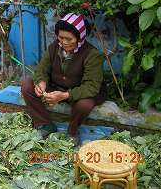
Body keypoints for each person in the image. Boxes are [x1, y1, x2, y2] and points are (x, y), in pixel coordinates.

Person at [21, 13, 105, 146]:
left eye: (69, 39)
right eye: (61, 38)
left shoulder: (92, 55)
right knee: (27, 84)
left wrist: (65, 95)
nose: (64, 42)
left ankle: (72, 131)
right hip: (57, 86)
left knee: (85, 105)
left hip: (78, 92)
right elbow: (42, 69)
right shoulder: (54, 47)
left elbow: (91, 86)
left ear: (80, 37)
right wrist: (41, 82)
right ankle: (44, 124)